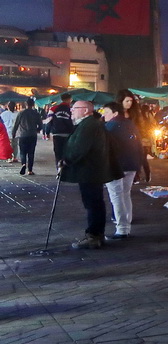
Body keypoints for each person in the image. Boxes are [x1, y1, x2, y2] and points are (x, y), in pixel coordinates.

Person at [60, 100, 122, 249]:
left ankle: (94, 235)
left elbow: (79, 147)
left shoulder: (89, 125)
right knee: (94, 202)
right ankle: (95, 234)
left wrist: (66, 160)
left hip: (90, 170)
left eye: (75, 108)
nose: (72, 111)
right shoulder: (90, 124)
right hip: (92, 170)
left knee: (93, 202)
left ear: (86, 110)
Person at [102, 102, 143, 240]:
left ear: (115, 113)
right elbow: (139, 145)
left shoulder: (109, 127)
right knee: (125, 194)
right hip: (131, 164)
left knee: (116, 196)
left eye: (106, 112)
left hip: (116, 165)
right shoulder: (130, 124)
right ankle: (127, 222)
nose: (103, 115)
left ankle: (122, 229)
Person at [119, 90, 152, 183]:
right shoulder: (116, 112)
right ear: (120, 101)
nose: (129, 103)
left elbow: (140, 128)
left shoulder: (135, 114)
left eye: (131, 101)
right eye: (127, 101)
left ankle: (139, 176)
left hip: (133, 143)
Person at [45, 93, 74, 174]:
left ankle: (59, 169)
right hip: (68, 134)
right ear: (69, 99)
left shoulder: (53, 108)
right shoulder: (71, 109)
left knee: (58, 153)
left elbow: (48, 121)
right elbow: (73, 121)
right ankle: (67, 170)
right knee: (67, 152)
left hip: (57, 134)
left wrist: (47, 132)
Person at [12, 99, 42, 175]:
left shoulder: (21, 113)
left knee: (23, 152)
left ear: (26, 104)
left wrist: (13, 134)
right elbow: (41, 125)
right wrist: (37, 130)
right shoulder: (36, 113)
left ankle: (23, 164)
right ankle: (30, 170)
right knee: (31, 153)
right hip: (32, 135)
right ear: (33, 104)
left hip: (22, 135)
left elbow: (16, 124)